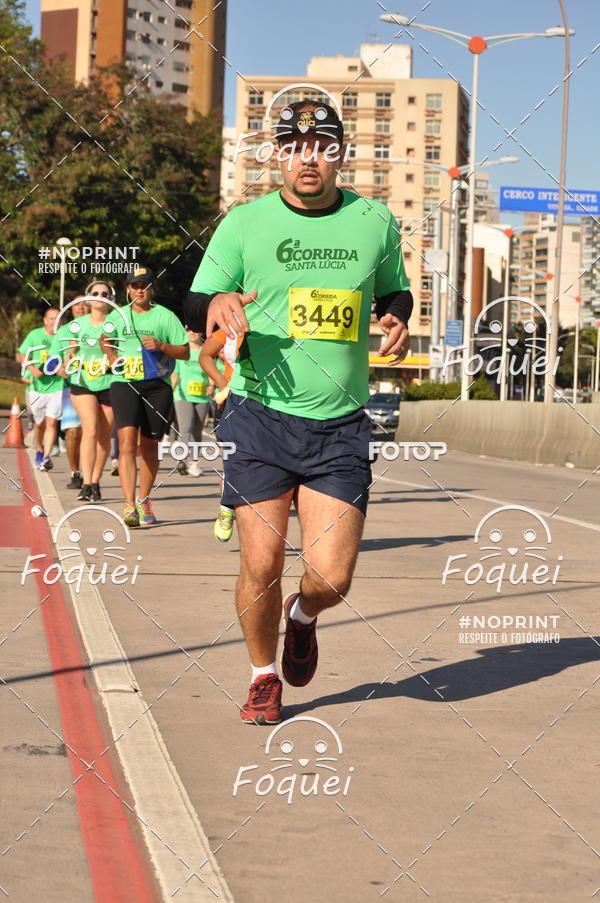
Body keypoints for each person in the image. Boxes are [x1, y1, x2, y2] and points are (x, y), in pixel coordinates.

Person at [185, 100, 412, 725]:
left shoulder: (373, 221)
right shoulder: (245, 222)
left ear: (339, 153)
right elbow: (199, 295)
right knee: (259, 563)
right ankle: (262, 675)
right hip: (260, 414)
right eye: (293, 146)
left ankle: (303, 617)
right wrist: (221, 297)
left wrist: (399, 315)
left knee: (332, 578)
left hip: (340, 423)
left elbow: (394, 286)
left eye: (321, 146)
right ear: (277, 154)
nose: (307, 158)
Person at [100, 265, 189, 527]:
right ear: (128, 289)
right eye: (135, 285)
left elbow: (184, 352)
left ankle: (144, 498)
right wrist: (111, 355)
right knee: (126, 441)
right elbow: (105, 338)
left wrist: (161, 346)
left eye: (145, 285)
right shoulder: (119, 315)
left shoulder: (165, 317)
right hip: (124, 383)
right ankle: (128, 504)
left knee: (150, 445)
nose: (140, 290)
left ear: (152, 288)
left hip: (156, 385)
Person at [64, 282, 116, 503]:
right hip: (83, 381)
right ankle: (85, 484)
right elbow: (69, 351)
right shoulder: (78, 324)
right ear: (87, 298)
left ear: (111, 300)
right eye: (95, 293)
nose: (100, 296)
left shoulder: (117, 324)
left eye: (105, 294)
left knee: (104, 437)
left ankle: (95, 482)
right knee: (91, 429)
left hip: (111, 382)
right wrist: (67, 362)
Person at [199, 327, 242, 541]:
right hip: (232, 402)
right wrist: (223, 383)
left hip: (271, 405)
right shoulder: (232, 324)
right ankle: (227, 508)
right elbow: (205, 355)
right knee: (232, 459)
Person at [50, 294, 90, 489]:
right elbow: (52, 358)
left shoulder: (101, 328)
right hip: (71, 389)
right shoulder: (64, 331)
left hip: (101, 387)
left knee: (93, 434)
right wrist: (59, 368)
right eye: (76, 305)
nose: (80, 308)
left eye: (84, 304)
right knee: (73, 432)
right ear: (71, 308)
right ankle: (76, 473)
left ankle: (92, 479)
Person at [18, 307, 64, 470]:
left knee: (52, 422)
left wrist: (63, 369)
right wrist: (32, 369)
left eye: (57, 318)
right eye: (51, 318)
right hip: (37, 387)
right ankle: (39, 449)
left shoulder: (63, 337)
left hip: (57, 385)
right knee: (40, 424)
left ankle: (46, 457)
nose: (53, 321)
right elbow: (22, 355)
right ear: (45, 320)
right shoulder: (35, 335)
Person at [171, 328, 213, 477]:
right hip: (182, 396)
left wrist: (211, 385)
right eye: (189, 330)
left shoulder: (206, 351)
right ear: (185, 332)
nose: (193, 332)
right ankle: (182, 460)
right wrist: (170, 393)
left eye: (196, 330)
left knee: (197, 431)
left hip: (202, 396)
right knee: (185, 428)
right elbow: (175, 375)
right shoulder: (181, 352)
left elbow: (210, 372)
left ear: (201, 333)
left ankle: (194, 464)